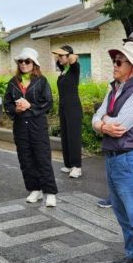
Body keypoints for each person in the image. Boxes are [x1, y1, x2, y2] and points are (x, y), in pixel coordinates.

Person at [92, 42, 133, 263]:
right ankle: (132, 254)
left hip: (127, 159)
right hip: (113, 158)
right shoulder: (114, 89)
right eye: (114, 61)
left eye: (119, 62)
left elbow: (120, 128)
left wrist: (103, 123)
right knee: (121, 211)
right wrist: (103, 123)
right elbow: (97, 119)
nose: (114, 65)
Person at [4, 47, 58, 207]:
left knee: (42, 158)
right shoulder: (13, 82)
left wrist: (30, 106)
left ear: (34, 63)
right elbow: (7, 103)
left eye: (27, 61)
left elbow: (48, 103)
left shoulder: (41, 81)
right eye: (21, 61)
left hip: (37, 124)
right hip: (20, 125)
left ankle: (50, 192)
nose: (23, 64)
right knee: (25, 159)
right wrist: (16, 109)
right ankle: (35, 189)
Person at [52, 45, 83, 179]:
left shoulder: (74, 69)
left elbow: (74, 59)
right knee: (65, 136)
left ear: (68, 56)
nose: (58, 58)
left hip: (73, 108)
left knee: (73, 137)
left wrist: (69, 55)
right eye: (58, 56)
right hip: (63, 107)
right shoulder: (63, 71)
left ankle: (77, 166)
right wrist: (62, 57)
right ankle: (69, 164)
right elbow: (61, 62)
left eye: (61, 56)